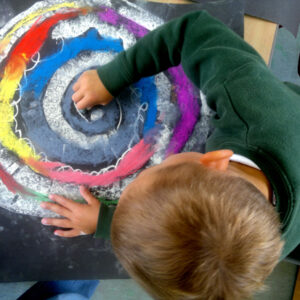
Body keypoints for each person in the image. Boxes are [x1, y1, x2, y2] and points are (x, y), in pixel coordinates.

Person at [40, 10, 300, 300]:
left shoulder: (254, 251)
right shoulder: (246, 96)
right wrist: (113, 76)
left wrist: (106, 222)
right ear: (214, 161)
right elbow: (193, 30)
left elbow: (189, 238)